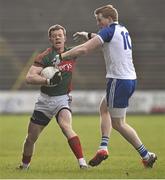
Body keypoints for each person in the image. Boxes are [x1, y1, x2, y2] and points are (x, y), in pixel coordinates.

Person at [53, 5, 157, 168]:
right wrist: (87, 35)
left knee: (119, 124)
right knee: (104, 108)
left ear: (108, 19)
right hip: (129, 79)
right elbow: (102, 38)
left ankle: (146, 155)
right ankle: (103, 147)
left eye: (99, 20)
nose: (98, 23)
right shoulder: (122, 29)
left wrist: (62, 56)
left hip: (118, 80)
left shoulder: (108, 31)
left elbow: (85, 49)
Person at [18, 24, 88, 169]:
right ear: (50, 39)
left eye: (60, 35)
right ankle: (24, 166)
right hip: (45, 101)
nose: (57, 38)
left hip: (63, 99)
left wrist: (87, 35)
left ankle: (82, 163)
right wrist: (47, 80)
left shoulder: (71, 53)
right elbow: (29, 78)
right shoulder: (44, 57)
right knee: (31, 138)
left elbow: (87, 48)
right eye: (54, 36)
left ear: (65, 38)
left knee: (65, 126)